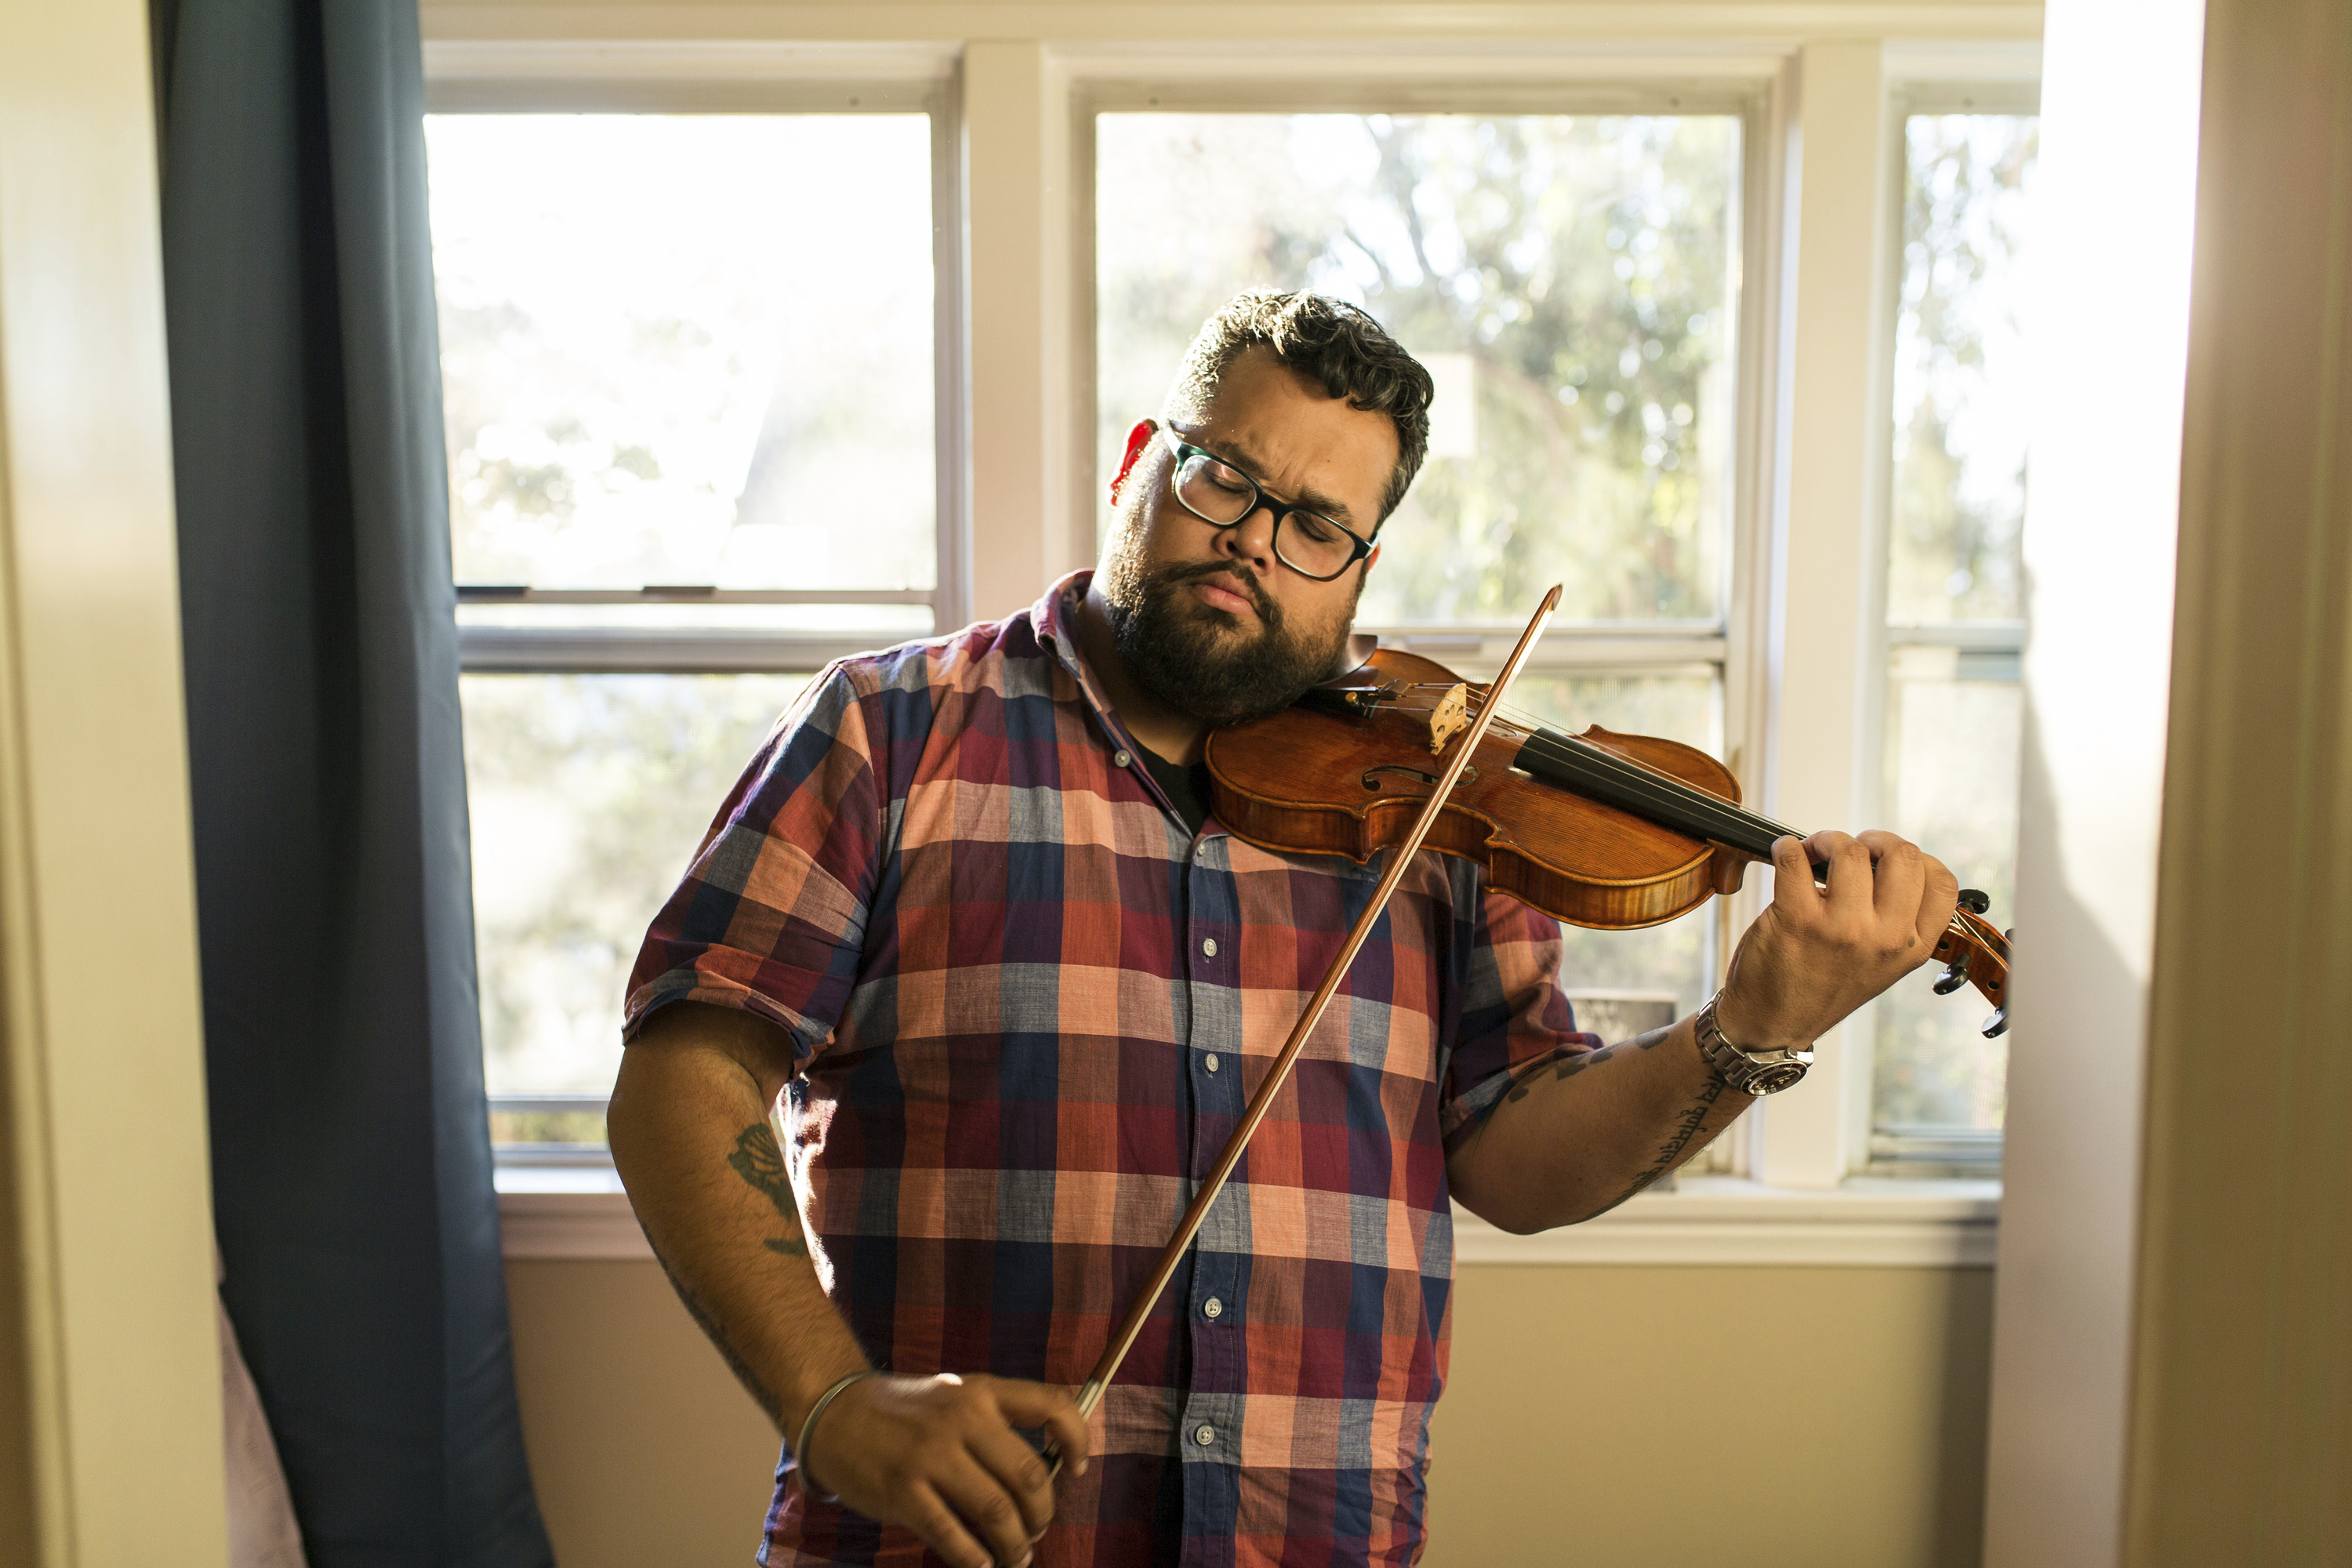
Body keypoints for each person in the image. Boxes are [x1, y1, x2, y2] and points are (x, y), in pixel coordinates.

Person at [608, 291, 1958, 1568]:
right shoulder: (888, 729)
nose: (1258, 540)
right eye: (1225, 480)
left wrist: (1751, 1033)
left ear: (1361, 568)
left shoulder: (1440, 807)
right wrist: (834, 1401)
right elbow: (688, 1073)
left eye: (1318, 524)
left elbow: (1516, 1160)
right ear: (1141, 461)